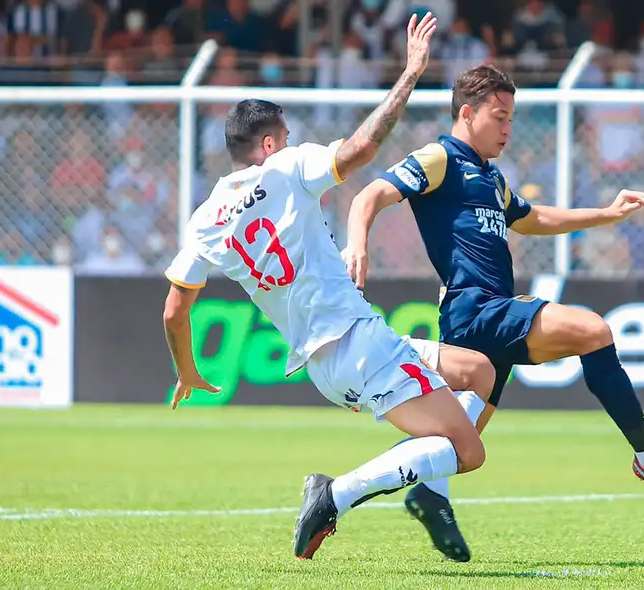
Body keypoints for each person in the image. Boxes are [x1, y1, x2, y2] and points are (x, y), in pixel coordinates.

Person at [343, 63, 644, 563]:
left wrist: (606, 213)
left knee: (456, 444)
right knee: (593, 330)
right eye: (499, 117)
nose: (507, 129)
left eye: (511, 119)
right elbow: (370, 194)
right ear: (468, 113)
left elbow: (532, 217)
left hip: (485, 316)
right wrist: (357, 244)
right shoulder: (440, 157)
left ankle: (420, 495)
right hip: (475, 309)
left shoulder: (490, 175)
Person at [161, 13, 496, 561]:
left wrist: (187, 370)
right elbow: (361, 149)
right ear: (269, 142)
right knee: (469, 450)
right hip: (359, 343)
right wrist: (411, 73)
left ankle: (428, 492)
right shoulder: (287, 166)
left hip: (323, 363)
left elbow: (175, 311)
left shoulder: (205, 221)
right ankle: (335, 494)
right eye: (287, 136)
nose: (293, 142)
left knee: (478, 371)